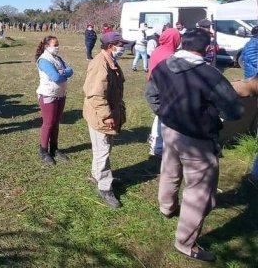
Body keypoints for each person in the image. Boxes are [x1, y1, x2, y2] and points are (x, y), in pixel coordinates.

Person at [145, 28, 243, 262]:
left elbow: (151, 95)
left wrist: (166, 114)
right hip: (197, 139)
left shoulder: (163, 66)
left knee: (170, 170)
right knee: (199, 192)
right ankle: (185, 243)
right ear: (208, 48)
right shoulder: (210, 75)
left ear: (182, 43)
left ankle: (166, 207)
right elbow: (234, 110)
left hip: (169, 131)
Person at [83, 31, 127, 208]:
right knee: (103, 150)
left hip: (104, 113)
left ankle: (97, 174)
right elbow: (94, 94)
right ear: (110, 46)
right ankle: (104, 187)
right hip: (101, 116)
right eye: (120, 45)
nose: (123, 48)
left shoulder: (110, 61)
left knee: (102, 148)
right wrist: (107, 115)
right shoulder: (100, 64)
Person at [35, 35, 74, 164]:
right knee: (48, 123)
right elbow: (55, 77)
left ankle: (54, 148)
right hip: (48, 95)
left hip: (60, 94)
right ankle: (43, 150)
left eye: (58, 44)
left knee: (56, 122)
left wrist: (63, 72)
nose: (57, 47)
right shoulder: (44, 60)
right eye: (55, 45)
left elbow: (70, 70)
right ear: (47, 46)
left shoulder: (57, 58)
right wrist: (63, 73)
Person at [145, 28, 182, 157]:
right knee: (162, 115)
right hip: (162, 88)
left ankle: (155, 142)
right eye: (178, 37)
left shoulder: (159, 49)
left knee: (159, 115)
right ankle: (159, 146)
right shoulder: (168, 55)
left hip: (154, 85)